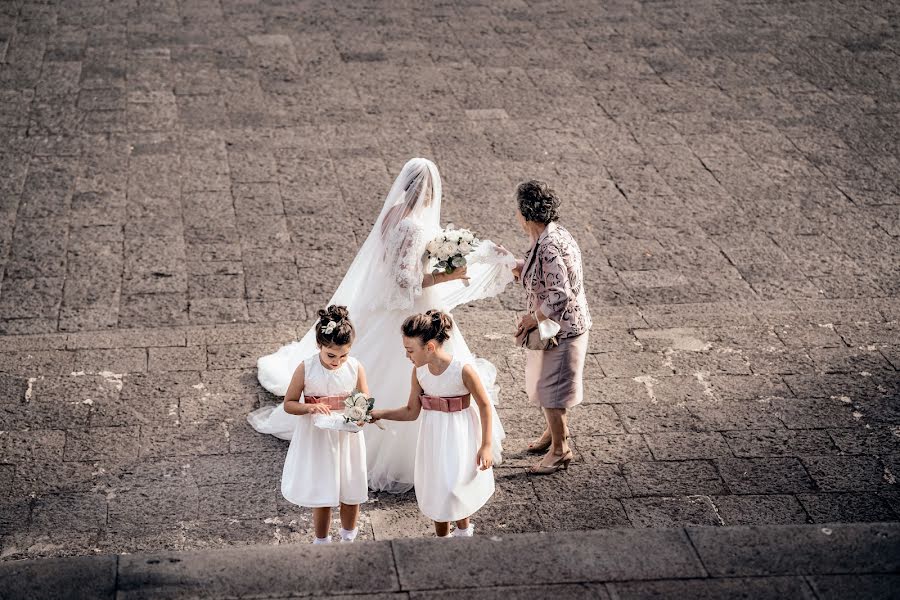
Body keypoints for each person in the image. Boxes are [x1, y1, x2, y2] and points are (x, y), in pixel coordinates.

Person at [249, 158, 513, 492]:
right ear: (429, 191)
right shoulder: (414, 226)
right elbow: (405, 279)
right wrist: (448, 274)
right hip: (407, 309)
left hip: (385, 306)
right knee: (413, 365)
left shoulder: (394, 214)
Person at [372, 311, 495, 537]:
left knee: (455, 484)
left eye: (410, 350)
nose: (407, 355)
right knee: (439, 485)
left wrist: (486, 445)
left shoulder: (463, 370)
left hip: (460, 434)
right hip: (433, 435)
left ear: (429, 347)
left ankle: (463, 529)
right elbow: (411, 411)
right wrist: (379, 413)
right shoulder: (419, 372)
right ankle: (442, 537)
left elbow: (485, 405)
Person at [513, 180, 592, 475]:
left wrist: (533, 318)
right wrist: (514, 265)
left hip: (564, 331)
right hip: (561, 328)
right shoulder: (549, 235)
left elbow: (560, 293)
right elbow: (544, 276)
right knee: (548, 384)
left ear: (526, 214)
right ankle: (554, 433)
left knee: (551, 390)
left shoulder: (548, 246)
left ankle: (561, 451)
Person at [281, 305, 368, 544]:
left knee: (350, 487)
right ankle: (321, 540)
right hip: (318, 435)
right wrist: (309, 407)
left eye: (343, 355)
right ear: (320, 345)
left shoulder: (355, 367)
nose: (337, 361)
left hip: (347, 435)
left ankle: (349, 535)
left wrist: (360, 415)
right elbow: (288, 403)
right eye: (331, 355)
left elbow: (363, 399)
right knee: (323, 487)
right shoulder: (306, 368)